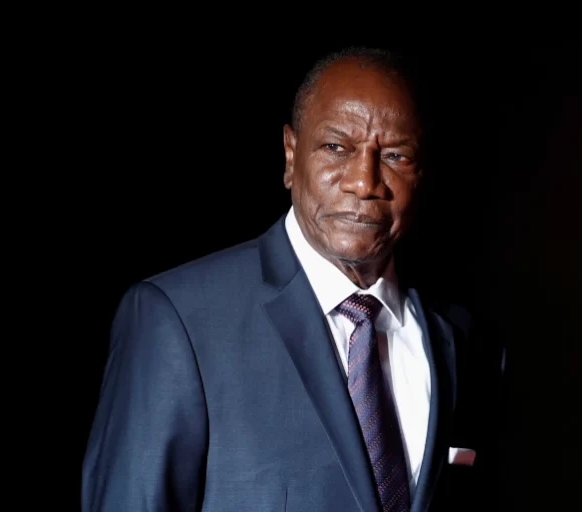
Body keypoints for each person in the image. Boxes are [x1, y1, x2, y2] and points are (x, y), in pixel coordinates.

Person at [82, 46, 507, 512]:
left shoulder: (463, 339)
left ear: (421, 173)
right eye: (336, 148)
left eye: (394, 155)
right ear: (290, 155)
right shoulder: (178, 320)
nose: (364, 182)